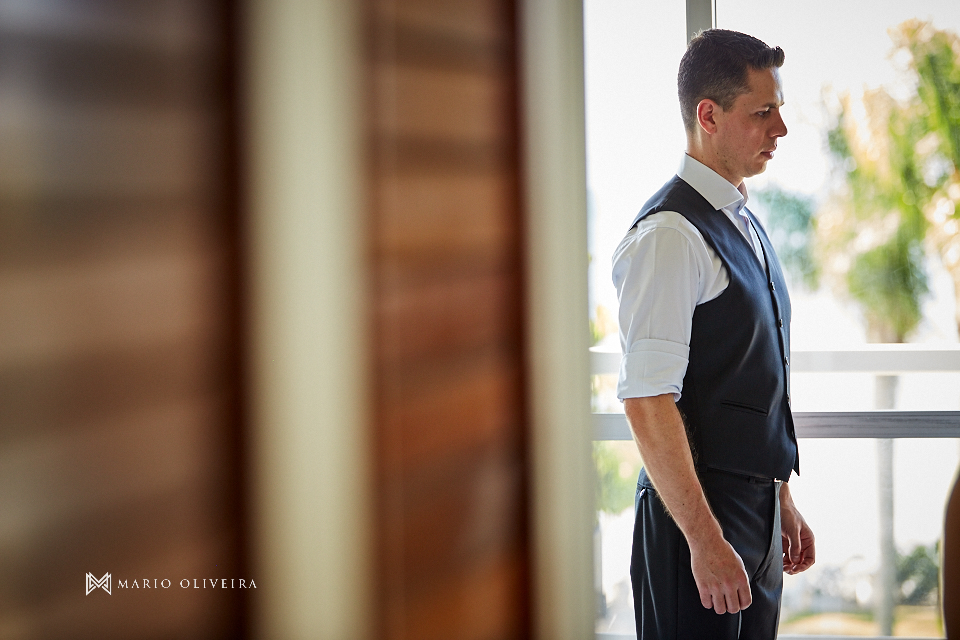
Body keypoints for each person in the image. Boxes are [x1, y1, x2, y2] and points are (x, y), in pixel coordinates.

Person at [611, 29, 815, 639]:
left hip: (753, 517)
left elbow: (745, 376)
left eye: (779, 109)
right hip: (695, 523)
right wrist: (704, 540)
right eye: (763, 112)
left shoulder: (743, 221)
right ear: (708, 116)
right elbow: (647, 400)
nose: (781, 128)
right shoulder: (669, 236)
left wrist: (778, 497)